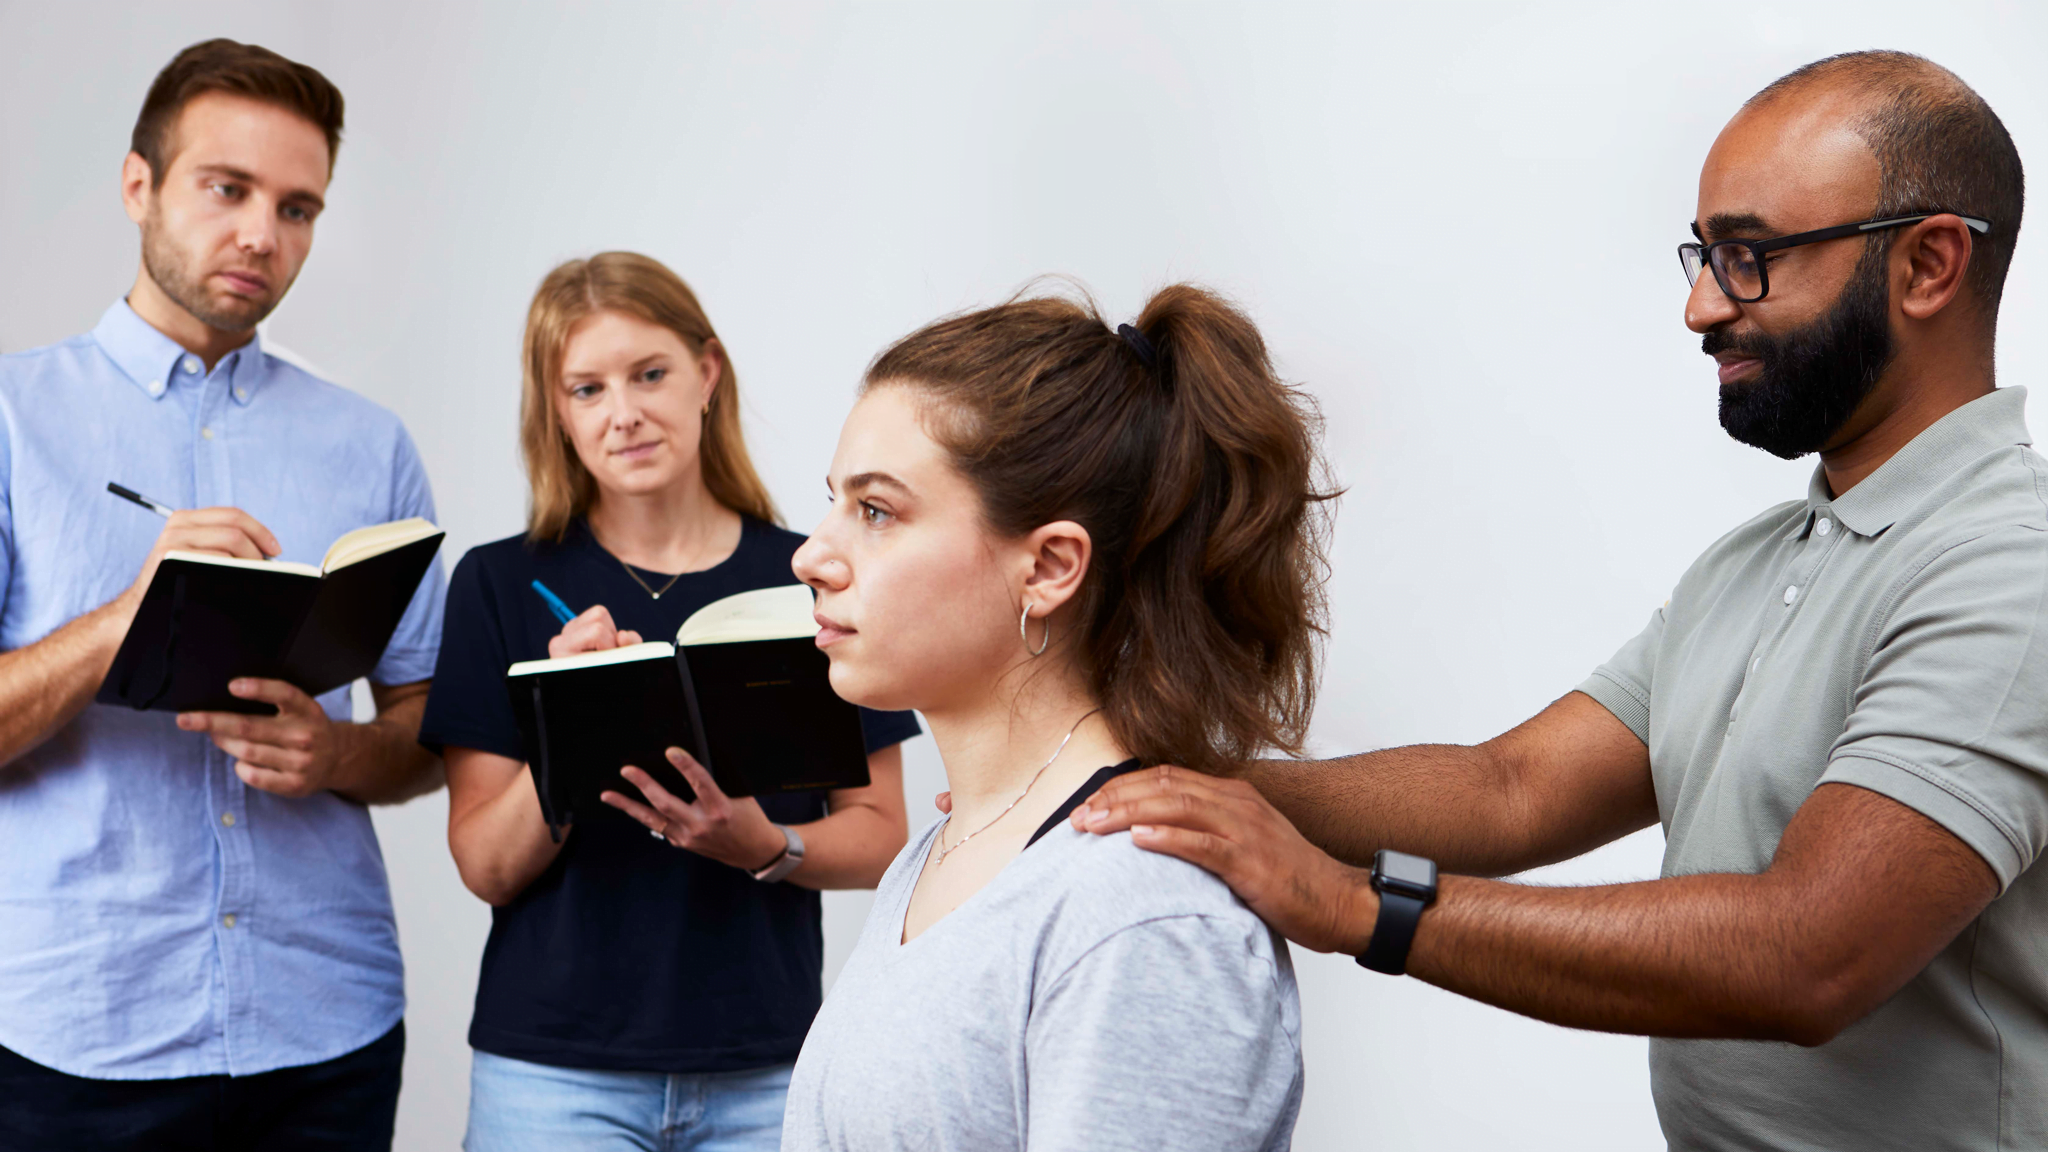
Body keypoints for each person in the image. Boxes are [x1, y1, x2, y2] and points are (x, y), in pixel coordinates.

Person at [1071, 50, 2039, 1151]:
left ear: (1926, 265)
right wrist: (1153, 787)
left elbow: (1808, 953)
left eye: (1747, 257)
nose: (1697, 308)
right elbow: (1509, 790)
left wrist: (1349, 907)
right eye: (1702, 256)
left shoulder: (2009, 572)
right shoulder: (1761, 562)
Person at [0, 39, 447, 1151]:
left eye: (298, 208)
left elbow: (427, 728)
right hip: (76, 1032)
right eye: (227, 188)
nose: (261, 233)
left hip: (325, 1028)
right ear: (138, 185)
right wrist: (128, 613)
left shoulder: (368, 444)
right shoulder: (13, 419)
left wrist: (341, 757)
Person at [780, 283, 1324, 1151]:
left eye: (876, 511)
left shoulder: (1143, 912)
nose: (811, 555)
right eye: (836, 502)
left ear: (1049, 568)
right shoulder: (937, 858)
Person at [420, 251, 920, 1152]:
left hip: (768, 1066)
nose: (625, 413)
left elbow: (884, 832)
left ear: (707, 375)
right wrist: (574, 710)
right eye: (587, 389)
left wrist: (768, 847)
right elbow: (487, 868)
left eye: (650, 374)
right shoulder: (498, 583)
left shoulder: (814, 572)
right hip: (552, 1076)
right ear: (556, 412)